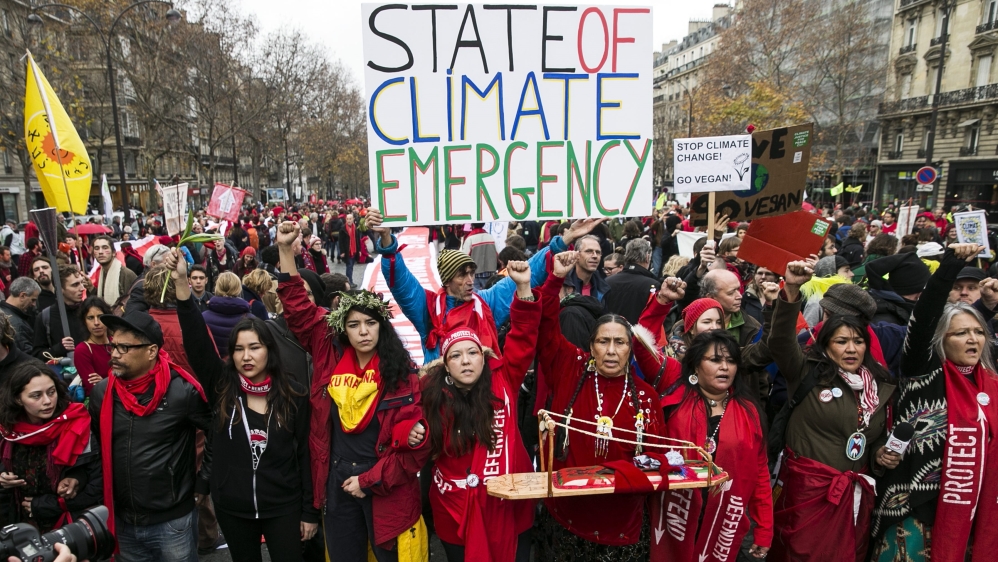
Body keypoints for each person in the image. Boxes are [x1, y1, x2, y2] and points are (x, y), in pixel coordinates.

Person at [275, 221, 429, 561]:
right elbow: (298, 308)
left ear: (382, 327)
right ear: (342, 328)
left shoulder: (401, 372)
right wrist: (285, 250)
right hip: (337, 479)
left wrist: (368, 480)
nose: (363, 332)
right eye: (354, 324)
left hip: (384, 482)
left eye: (371, 323)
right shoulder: (328, 351)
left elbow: (414, 453)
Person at [170, 249, 318, 562]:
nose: (246, 356)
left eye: (254, 347)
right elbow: (196, 342)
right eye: (239, 349)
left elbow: (305, 455)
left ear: (269, 351)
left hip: (283, 506)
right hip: (233, 507)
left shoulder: (293, 394)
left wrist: (309, 511)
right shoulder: (223, 386)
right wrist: (182, 284)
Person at [533, 251, 666, 561]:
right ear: (591, 346)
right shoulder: (570, 369)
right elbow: (546, 328)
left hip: (623, 526)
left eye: (620, 342)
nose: (611, 350)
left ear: (630, 349)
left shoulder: (646, 396)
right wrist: (555, 279)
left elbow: (657, 461)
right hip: (566, 518)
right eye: (603, 341)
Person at [871, 243, 998, 561]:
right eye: (961, 334)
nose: (972, 339)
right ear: (940, 340)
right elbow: (924, 316)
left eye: (978, 332)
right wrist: (949, 267)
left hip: (976, 511)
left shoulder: (992, 385)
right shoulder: (923, 373)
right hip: (916, 509)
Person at [766, 257, 898, 562]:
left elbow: (870, 435)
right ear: (826, 345)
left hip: (854, 499)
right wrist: (791, 291)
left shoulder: (879, 385)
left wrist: (879, 454)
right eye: (841, 341)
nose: (851, 349)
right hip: (806, 495)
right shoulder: (806, 371)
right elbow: (781, 341)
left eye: (858, 341)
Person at [420, 261, 538, 562]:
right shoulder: (430, 395)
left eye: (473, 352)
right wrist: (408, 432)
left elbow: (524, 336)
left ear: (484, 358)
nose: (466, 360)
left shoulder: (504, 379)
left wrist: (524, 287)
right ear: (446, 366)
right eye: (456, 356)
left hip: (509, 503)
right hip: (453, 509)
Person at [368, 209, 584, 362]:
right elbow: (402, 283)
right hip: (441, 400)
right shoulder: (428, 308)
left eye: (472, 273)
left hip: (483, 397)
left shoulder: (486, 301)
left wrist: (564, 239)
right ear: (447, 280)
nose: (470, 280)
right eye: (462, 275)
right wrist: (386, 239)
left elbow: (532, 270)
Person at [88, 310, 211, 562]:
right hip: (122, 520)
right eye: (113, 346)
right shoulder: (103, 393)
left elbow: (218, 433)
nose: (114, 354)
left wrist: (204, 481)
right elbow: (96, 447)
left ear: (152, 351)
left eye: (124, 348)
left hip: (172, 522)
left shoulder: (182, 392)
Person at [653, 331, 772, 561]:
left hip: (725, 520)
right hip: (676, 516)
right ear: (696, 366)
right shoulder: (672, 405)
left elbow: (760, 474)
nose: (725, 367)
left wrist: (764, 529)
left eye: (731, 361)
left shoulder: (749, 412)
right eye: (715, 360)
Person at [0, 361, 101, 532]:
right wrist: (2, 477)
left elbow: (97, 480)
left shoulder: (77, 424)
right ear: (18, 399)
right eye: (36, 396)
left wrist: (58, 500)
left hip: (68, 527)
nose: (47, 401)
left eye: (51, 392)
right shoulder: (7, 431)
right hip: (19, 526)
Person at [31, 266, 86, 361]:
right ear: (60, 289)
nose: (82, 288)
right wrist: (58, 349)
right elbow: (37, 355)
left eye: (82, 282)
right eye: (75, 285)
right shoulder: (45, 316)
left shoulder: (89, 310)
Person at [603, 238, 661, 325]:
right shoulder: (653, 285)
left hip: (610, 330)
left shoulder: (607, 282)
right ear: (647, 257)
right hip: (640, 332)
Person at [72, 297, 112, 397]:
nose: (96, 323)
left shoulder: (116, 342)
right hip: (99, 400)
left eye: (100, 316)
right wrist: (108, 383)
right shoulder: (82, 350)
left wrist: (104, 381)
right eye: (90, 318)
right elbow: (94, 387)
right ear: (84, 321)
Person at [202, 272, 250, 354]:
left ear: (217, 287)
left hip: (212, 361)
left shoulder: (203, 317)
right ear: (238, 289)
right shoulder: (250, 320)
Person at [92, 235, 136, 307]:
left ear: (113, 253)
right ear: (94, 254)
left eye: (105, 248)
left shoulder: (126, 274)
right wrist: (91, 288)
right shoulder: (101, 273)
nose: (100, 252)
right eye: (97, 248)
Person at [563, 235, 610, 301]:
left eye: (598, 252)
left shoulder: (603, 287)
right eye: (589, 251)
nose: (595, 256)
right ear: (577, 255)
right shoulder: (563, 285)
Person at [0, 278, 39, 356]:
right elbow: (27, 356)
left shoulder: (3, 312)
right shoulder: (17, 324)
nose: (34, 304)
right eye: (33, 300)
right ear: (22, 296)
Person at [461, 224, 499, 291]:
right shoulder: (490, 237)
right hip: (490, 273)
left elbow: (464, 257)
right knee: (489, 293)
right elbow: (497, 254)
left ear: (472, 226)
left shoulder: (470, 239)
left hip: (474, 274)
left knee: (475, 295)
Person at [337, 213, 363, 283]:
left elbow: (358, 240)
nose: (349, 220)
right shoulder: (343, 229)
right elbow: (340, 241)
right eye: (347, 219)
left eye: (350, 219)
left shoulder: (355, 228)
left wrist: (359, 250)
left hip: (354, 250)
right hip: (347, 251)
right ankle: (349, 281)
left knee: (351, 266)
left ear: (353, 219)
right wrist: (342, 251)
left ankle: (349, 281)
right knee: (349, 266)